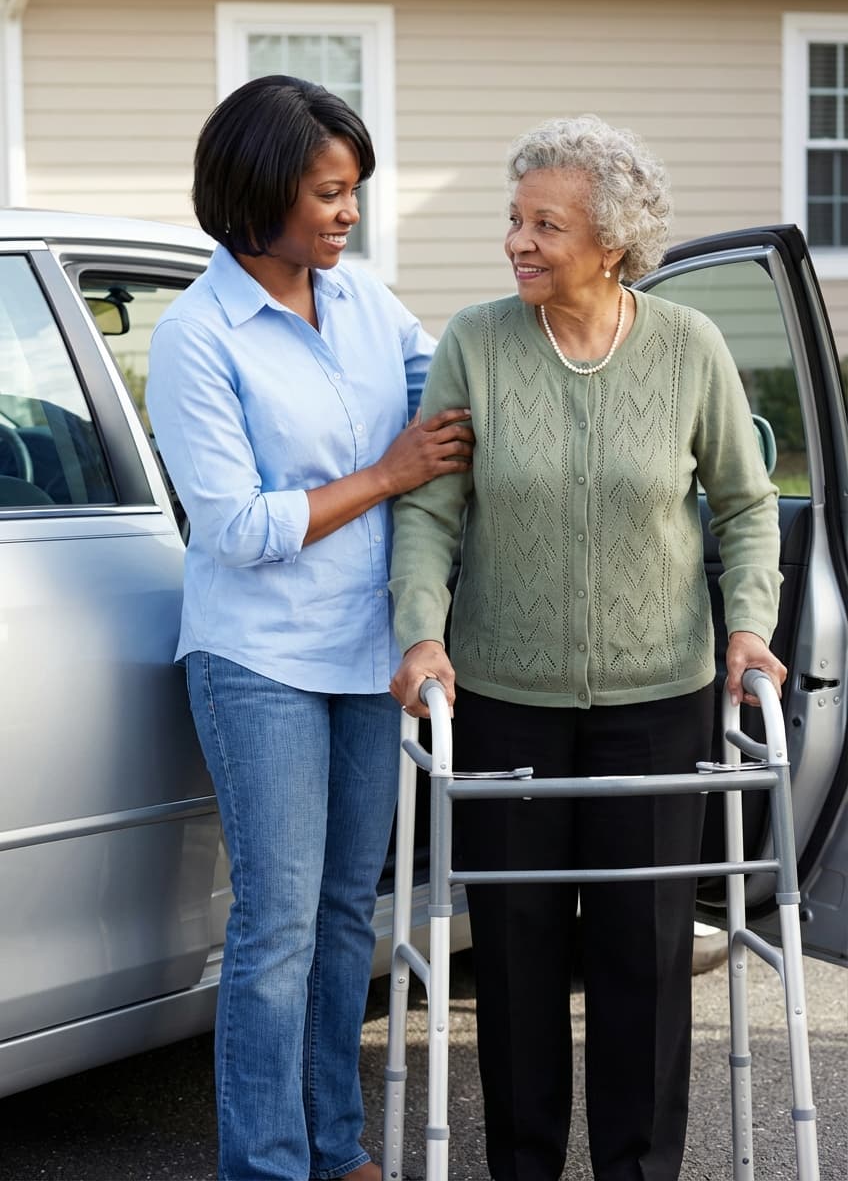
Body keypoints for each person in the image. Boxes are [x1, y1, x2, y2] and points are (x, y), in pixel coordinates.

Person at [388, 114, 787, 1181]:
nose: (517, 241)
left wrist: (748, 622)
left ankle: (638, 1169)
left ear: (611, 242)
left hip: (661, 693)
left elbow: (746, 509)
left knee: (643, 957)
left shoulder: (687, 346)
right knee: (513, 959)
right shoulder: (475, 341)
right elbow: (429, 512)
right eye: (513, 220)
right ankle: (522, 1168)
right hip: (505, 697)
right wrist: (421, 635)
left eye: (543, 224)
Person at [145, 74, 473, 1181]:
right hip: (258, 657)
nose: (347, 214)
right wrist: (384, 473)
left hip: (368, 652)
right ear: (258, 190)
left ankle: (337, 1146)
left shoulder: (368, 304)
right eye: (328, 193)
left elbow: (454, 407)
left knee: (345, 917)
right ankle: (268, 1164)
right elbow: (235, 526)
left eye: (354, 193)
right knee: (277, 926)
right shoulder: (197, 336)